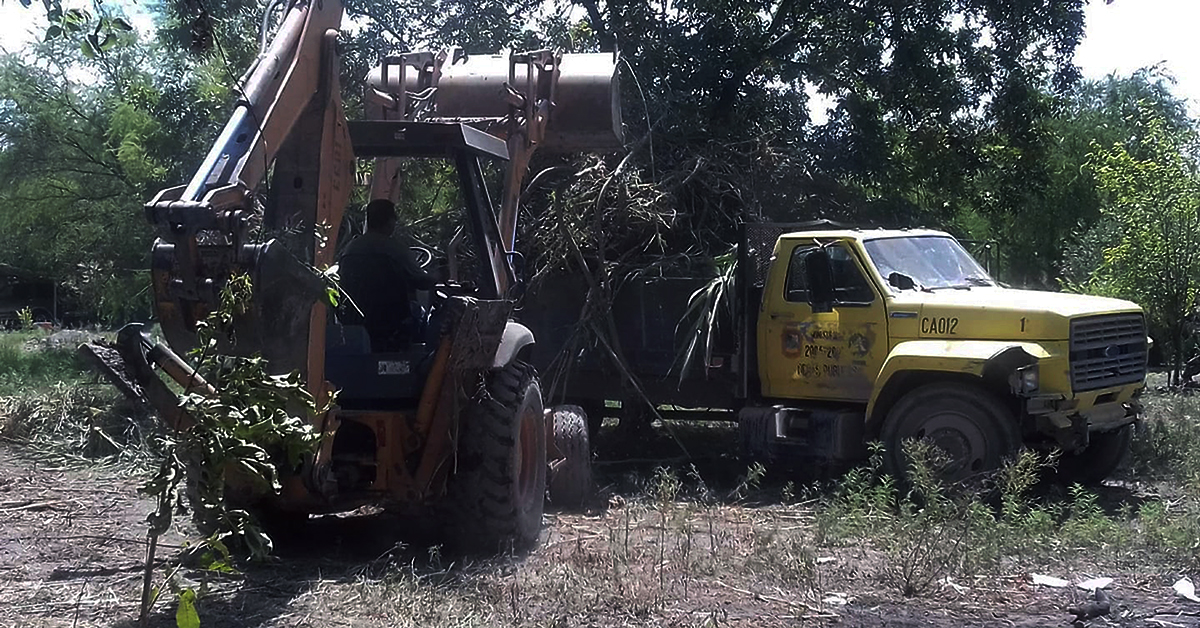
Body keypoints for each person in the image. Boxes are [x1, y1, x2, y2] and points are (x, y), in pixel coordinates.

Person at [337, 199, 436, 350]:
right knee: (425, 315)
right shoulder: (394, 249)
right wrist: (439, 276)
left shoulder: (349, 250)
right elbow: (421, 281)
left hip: (354, 323)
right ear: (390, 221)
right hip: (391, 325)